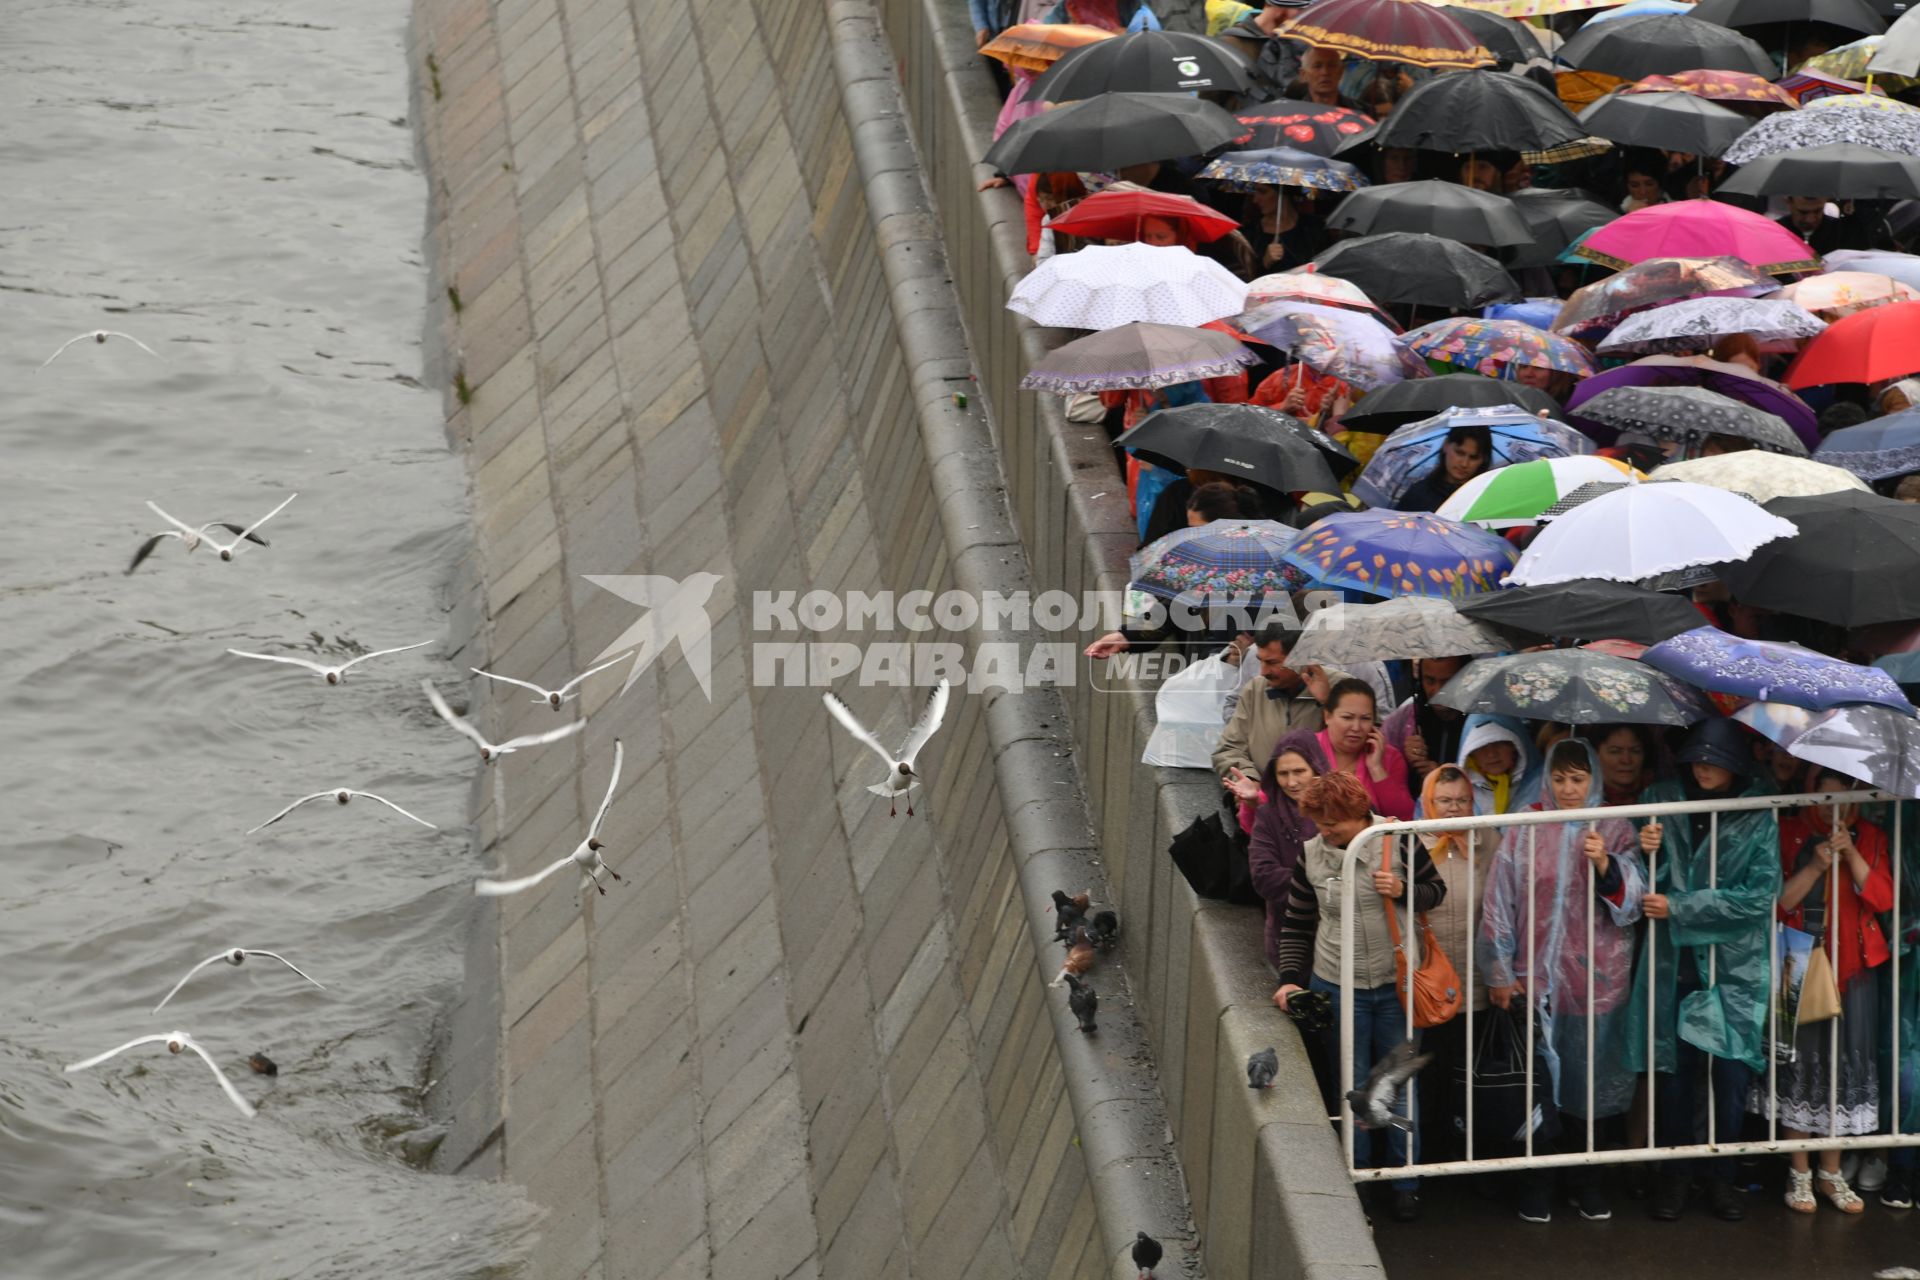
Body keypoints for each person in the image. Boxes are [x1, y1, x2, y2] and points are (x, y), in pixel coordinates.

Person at [1481, 739, 1648, 1223]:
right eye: (1559, 778)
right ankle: (1537, 1182)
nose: (1569, 789)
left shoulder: (1614, 827)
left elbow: (1633, 903)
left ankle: (1585, 1181)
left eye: (1578, 779)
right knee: (1538, 1088)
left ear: (1592, 779)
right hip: (1534, 984)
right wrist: (1498, 969)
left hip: (1595, 985)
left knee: (1588, 1089)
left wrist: (1604, 864)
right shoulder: (1526, 826)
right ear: (1547, 779)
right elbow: (1500, 901)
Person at [1624, 716, 1783, 1223]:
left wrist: (1683, 908)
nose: (1704, 766)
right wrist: (1645, 852)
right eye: (1698, 756)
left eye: (1716, 758)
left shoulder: (1758, 813)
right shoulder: (1660, 798)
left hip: (1733, 972)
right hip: (1678, 966)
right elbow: (1641, 888)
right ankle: (1676, 1177)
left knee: (1730, 1077)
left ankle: (1721, 1179)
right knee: (1676, 1078)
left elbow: (1758, 898)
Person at [1274, 771, 1447, 1221]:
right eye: (1318, 823)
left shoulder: (1398, 840)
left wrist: (1405, 890)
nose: (1324, 832)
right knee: (1351, 1089)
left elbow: (1437, 891)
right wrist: (1290, 979)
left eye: (1333, 823)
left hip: (1397, 985)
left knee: (1397, 1089)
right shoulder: (1309, 855)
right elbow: (1296, 924)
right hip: (1334, 983)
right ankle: (1360, 1180)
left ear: (1358, 814)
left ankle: (1404, 1182)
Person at [1754, 766, 1893, 1215]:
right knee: (1801, 1067)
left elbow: (1884, 898)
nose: (1836, 811)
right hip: (1799, 961)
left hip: (1853, 971)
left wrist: (1852, 854)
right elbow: (1778, 903)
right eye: (1826, 800)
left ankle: (1831, 1173)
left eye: (1846, 800)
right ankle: (1799, 1174)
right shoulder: (1789, 831)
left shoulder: (1870, 835)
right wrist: (1816, 864)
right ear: (1810, 796)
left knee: (1840, 1070)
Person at [1413, 764, 1495, 1163]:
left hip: (1476, 982)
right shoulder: (1410, 841)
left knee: (1472, 1077)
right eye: (1444, 800)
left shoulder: (1488, 841)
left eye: (1462, 800)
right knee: (1430, 1075)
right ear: (1429, 801)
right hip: (1429, 984)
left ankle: (1473, 1157)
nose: (1453, 809)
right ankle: (1428, 1157)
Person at [1211, 623, 1342, 787]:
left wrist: (1327, 702)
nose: (1263, 672)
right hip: (1264, 803)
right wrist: (1249, 779)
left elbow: (1363, 745)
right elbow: (1228, 749)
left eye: (1272, 662)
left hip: (1323, 802)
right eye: (1261, 661)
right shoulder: (1254, 689)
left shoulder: (1341, 687)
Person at [1246, 730, 1330, 969]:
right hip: (1289, 939)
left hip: (1342, 939)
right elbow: (1263, 875)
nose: (1291, 783)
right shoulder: (1268, 815)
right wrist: (1324, 884)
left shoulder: (1346, 805)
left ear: (1316, 768)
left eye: (1299, 772)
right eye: (1283, 774)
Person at [1317, 678, 1416, 820]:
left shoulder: (1389, 757)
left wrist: (1377, 769)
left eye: (1365, 719)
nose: (1356, 727)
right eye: (1347, 717)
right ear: (1327, 716)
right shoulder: (1306, 748)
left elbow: (1404, 818)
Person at [1383, 656, 1470, 788]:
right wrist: (1401, 758)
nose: (1437, 690)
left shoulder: (1480, 720)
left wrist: (1443, 776)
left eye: (1447, 682)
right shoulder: (1404, 718)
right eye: (1430, 680)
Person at [1218, 0, 1312, 103]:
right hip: (1239, 116)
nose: (1302, 18)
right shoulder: (1232, 43)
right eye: (1300, 10)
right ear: (1280, 10)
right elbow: (1212, 97)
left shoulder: (1298, 42)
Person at [1457, 713, 1542, 817]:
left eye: (1499, 743)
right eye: (1481, 746)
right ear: (1470, 753)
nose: (1491, 754)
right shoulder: (1454, 790)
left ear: (1515, 746)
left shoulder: (1543, 785)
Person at [1396, 425, 1492, 513]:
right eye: (1459, 453)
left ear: (1483, 460)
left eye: (1473, 457)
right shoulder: (1418, 494)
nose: (1464, 464)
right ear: (1446, 445)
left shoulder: (1485, 501)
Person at [1580, 723, 1659, 807]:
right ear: (1594, 754)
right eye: (1615, 751)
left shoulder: (1658, 796)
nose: (1626, 760)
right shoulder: (1578, 797)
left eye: (1635, 751)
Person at [1290, 46, 1364, 111]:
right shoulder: (1293, 114)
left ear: (1341, 71)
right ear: (1303, 74)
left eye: (1331, 66)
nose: (1325, 72)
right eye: (1317, 66)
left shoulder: (1361, 112)